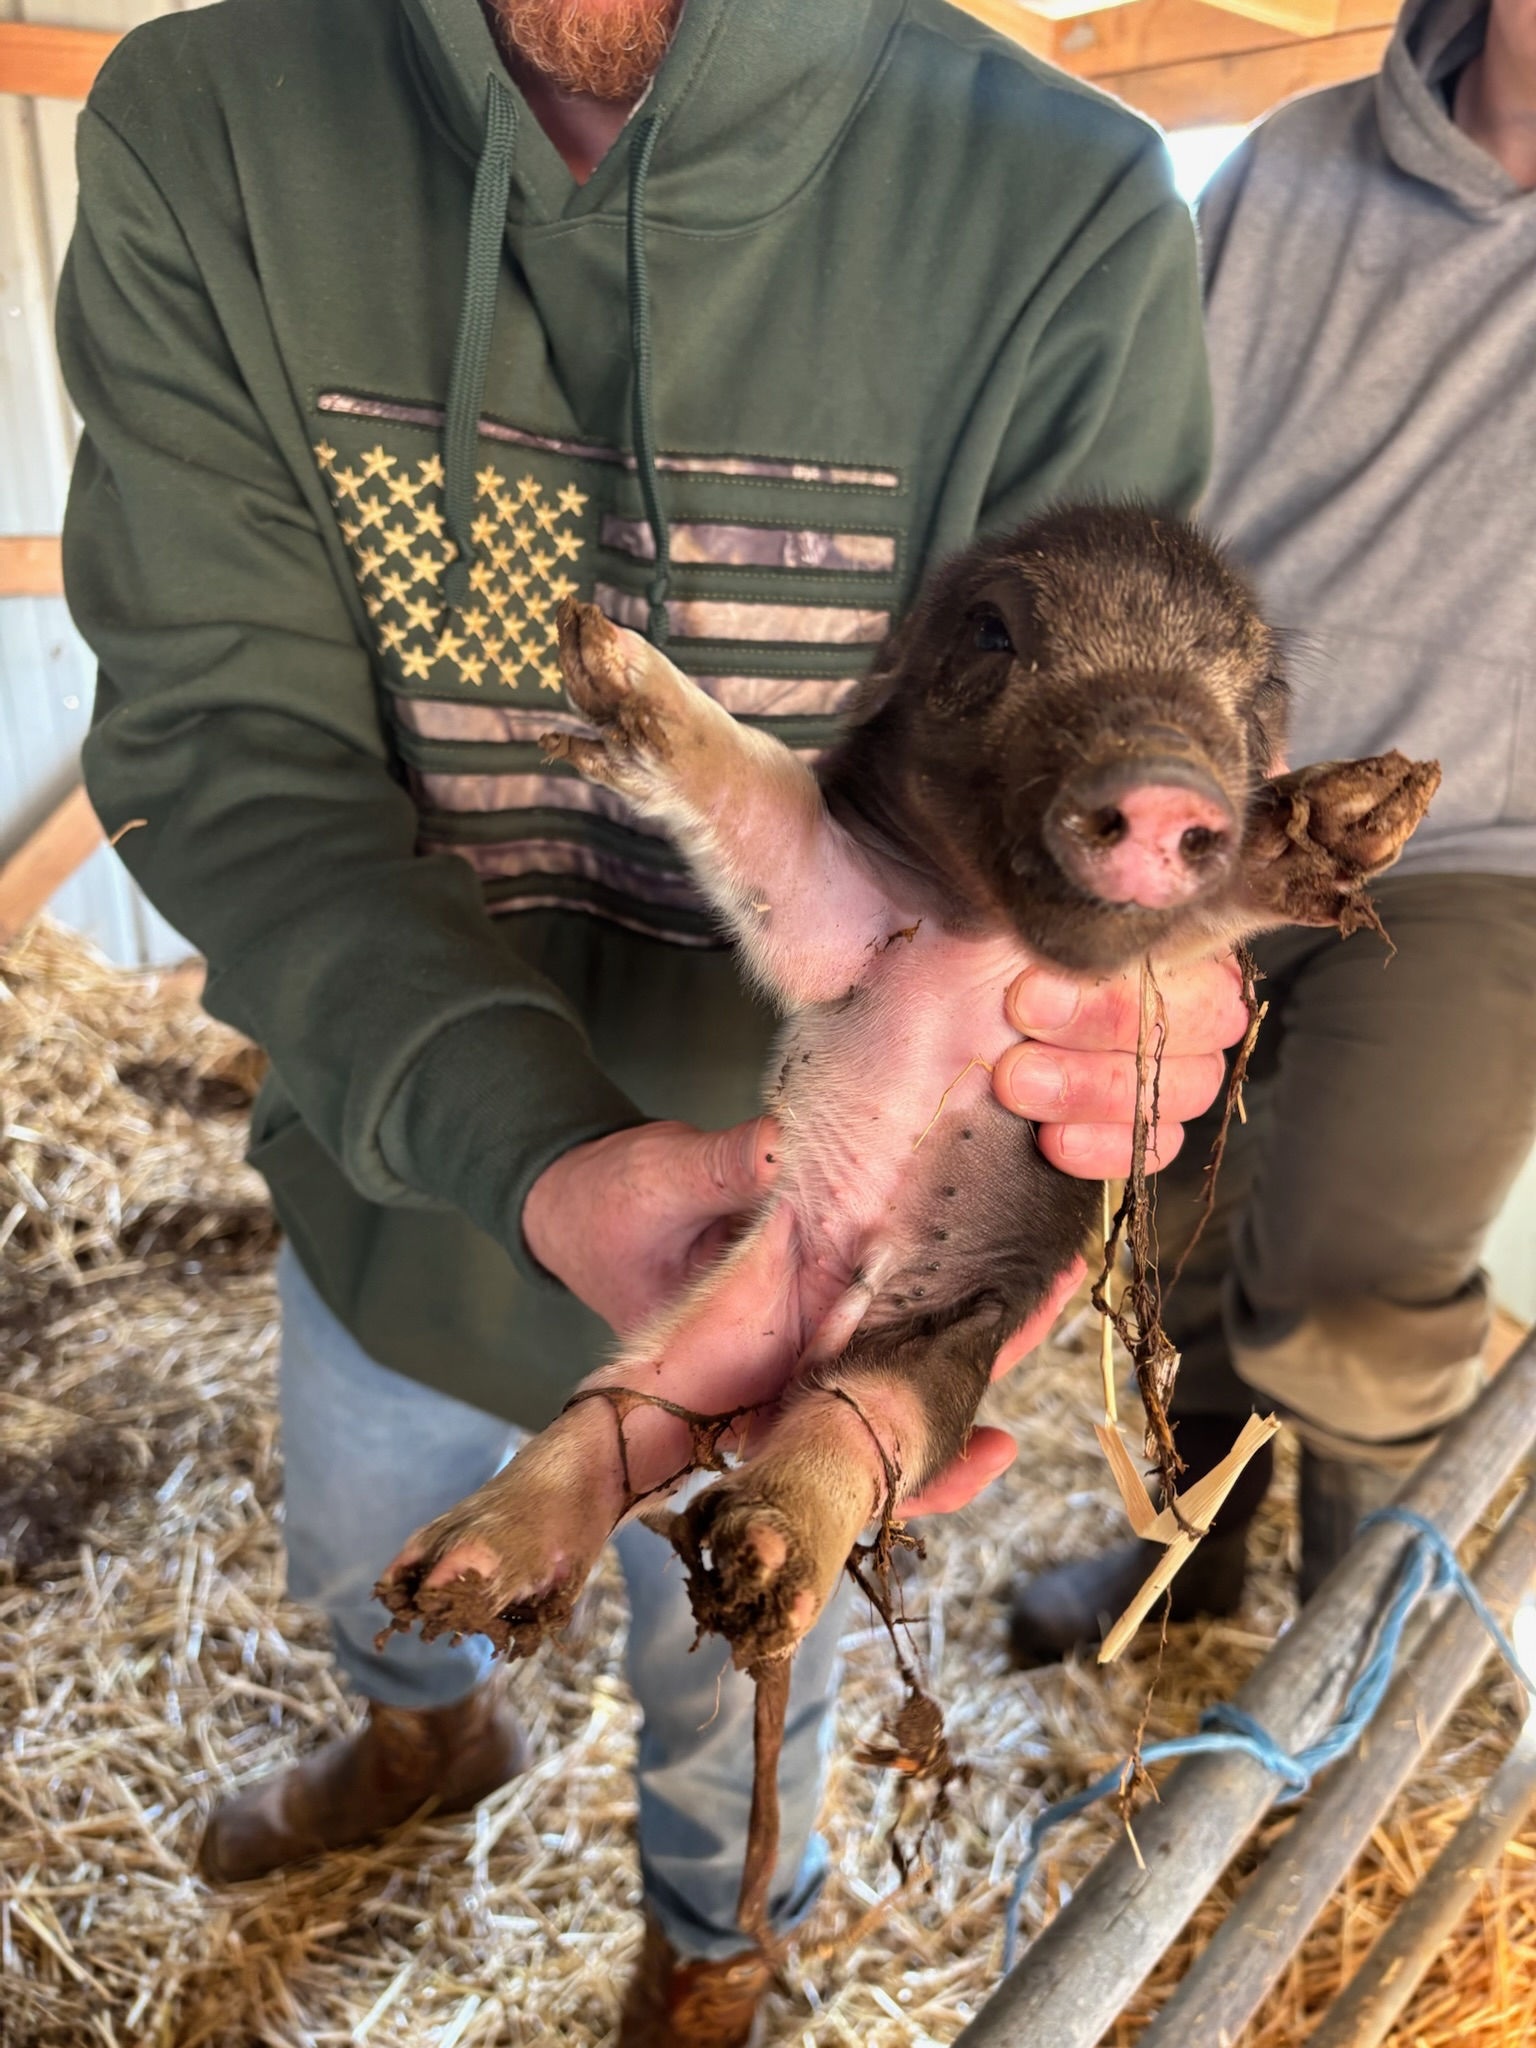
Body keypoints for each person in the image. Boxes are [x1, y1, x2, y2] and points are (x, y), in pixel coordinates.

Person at [57, 1, 1241, 2038]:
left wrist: (1125, 1001)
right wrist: (525, 1141)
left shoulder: (1059, 206)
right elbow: (233, 753)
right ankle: (428, 1738)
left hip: (826, 1236)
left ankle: (720, 1930)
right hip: (407, 1196)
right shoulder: (213, 121)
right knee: (375, 1544)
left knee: (754, 1636)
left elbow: (1094, 809)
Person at [1010, 0, 1536, 1665]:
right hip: (1213, 804)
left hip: (1480, 832)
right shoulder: (1299, 157)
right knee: (1155, 1219)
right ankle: (1187, 1568)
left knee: (1355, 1286)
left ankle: (1342, 1681)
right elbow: (1151, 462)